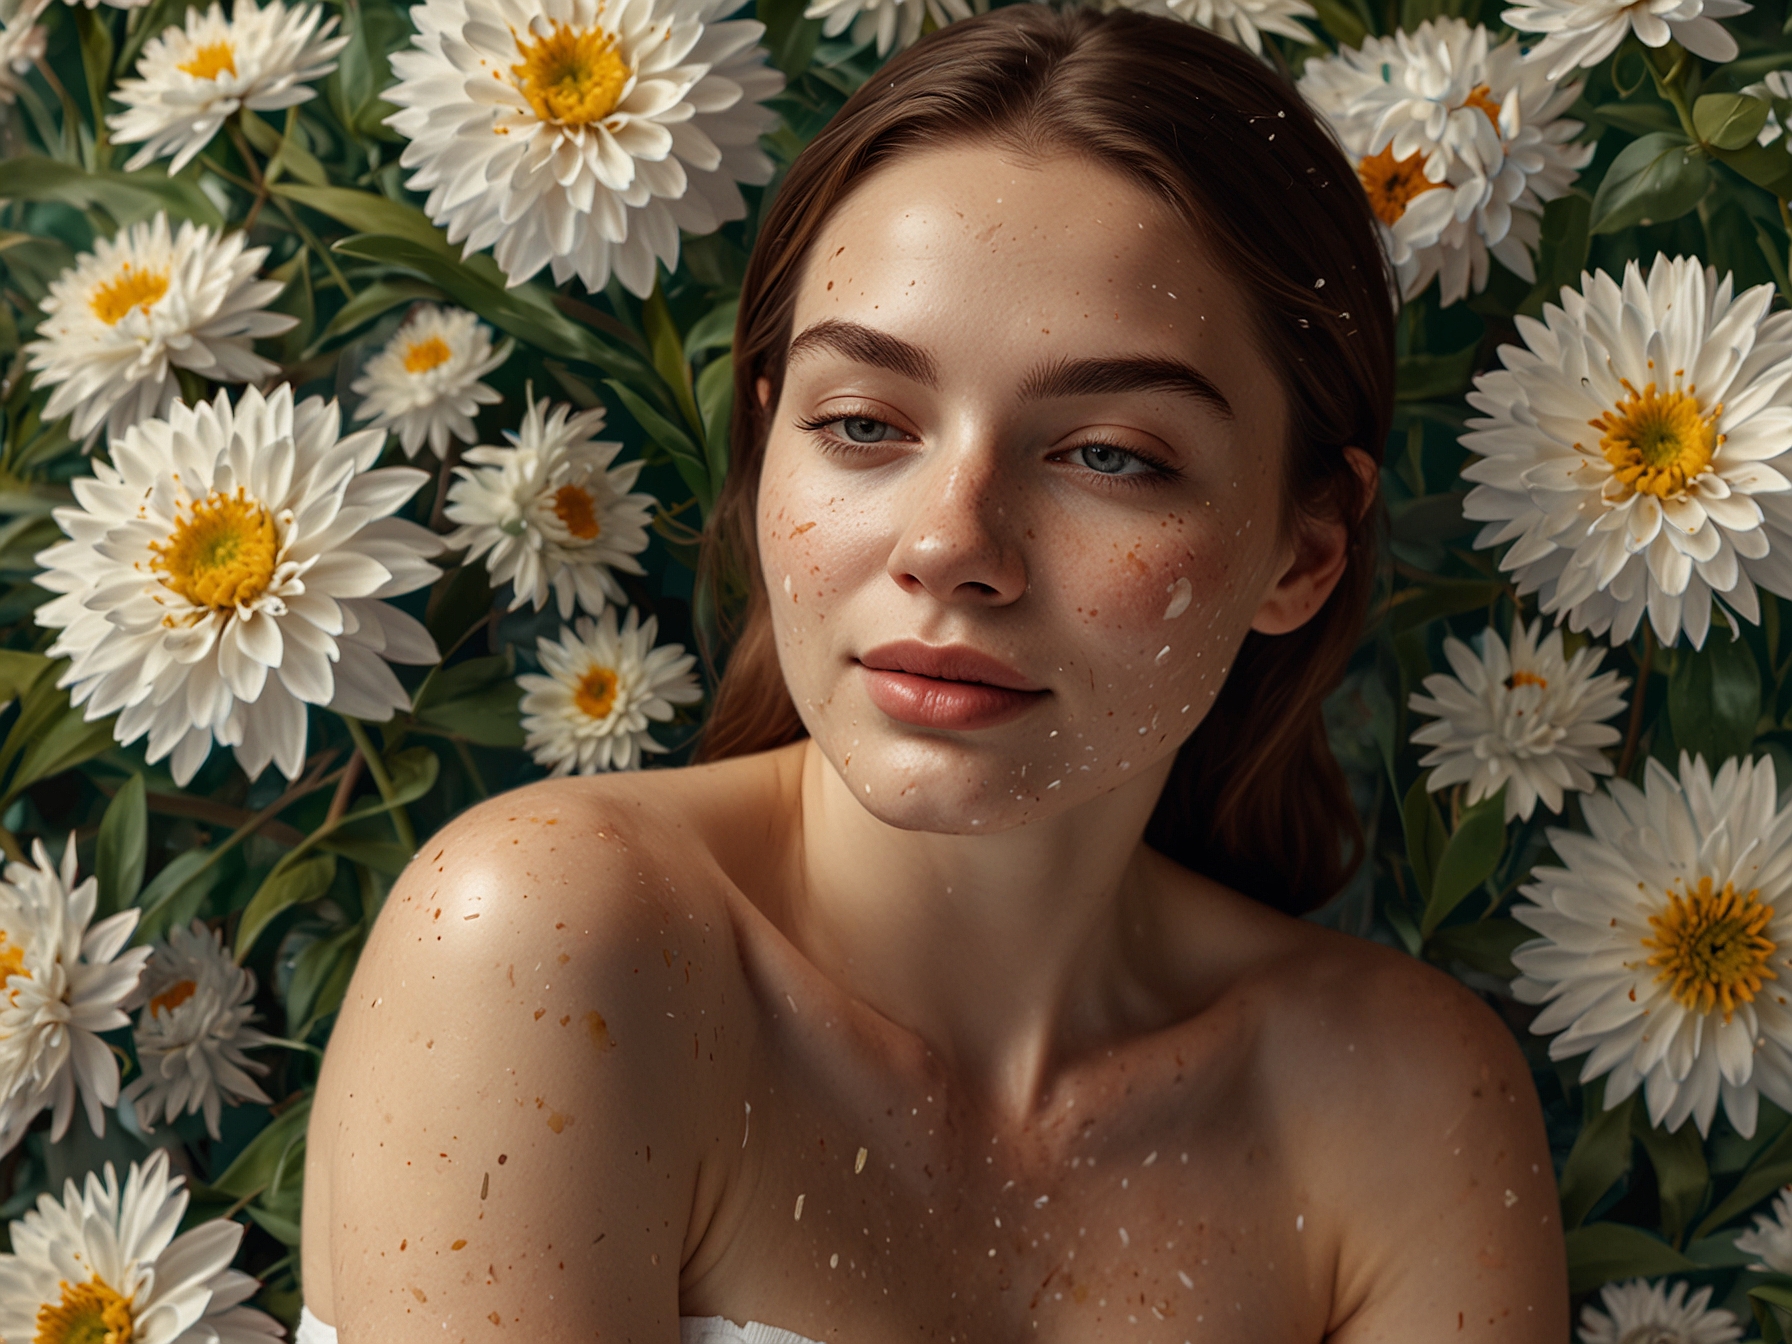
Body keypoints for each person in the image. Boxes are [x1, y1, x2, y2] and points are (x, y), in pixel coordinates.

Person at [298, 5, 1569, 1340]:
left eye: (1110, 454)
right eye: (862, 424)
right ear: (768, 436)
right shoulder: (546, 942)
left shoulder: (1406, 1102)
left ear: (1303, 551)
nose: (951, 544)